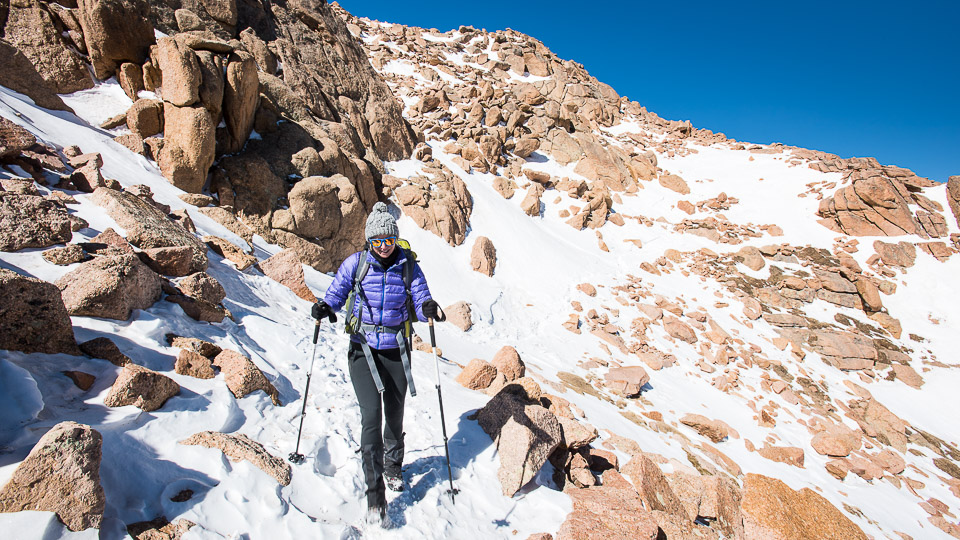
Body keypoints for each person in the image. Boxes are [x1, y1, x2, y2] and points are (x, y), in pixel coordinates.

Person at [312, 202, 440, 524]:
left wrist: (427, 307)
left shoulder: (407, 265)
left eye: (389, 241)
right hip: (363, 350)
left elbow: (421, 293)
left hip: (396, 350)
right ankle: (375, 495)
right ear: (369, 241)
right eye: (377, 241)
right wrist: (326, 307)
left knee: (394, 416)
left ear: (396, 240)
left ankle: (393, 466)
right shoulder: (356, 264)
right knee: (372, 416)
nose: (384, 247)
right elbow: (337, 291)